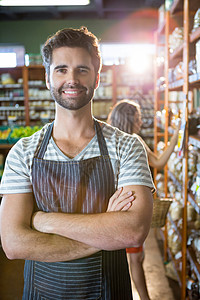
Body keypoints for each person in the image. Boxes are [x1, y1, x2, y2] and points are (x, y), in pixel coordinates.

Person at [0, 27, 155, 300]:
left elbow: (132, 232)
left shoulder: (127, 147)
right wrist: (106, 230)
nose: (71, 79)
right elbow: (13, 244)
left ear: (97, 78)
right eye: (61, 69)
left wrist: (43, 221)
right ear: (48, 78)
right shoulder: (23, 152)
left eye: (82, 69)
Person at [107, 99, 181, 300]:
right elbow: (159, 162)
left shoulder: (108, 138)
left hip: (110, 208)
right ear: (129, 119)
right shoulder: (134, 140)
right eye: (138, 118)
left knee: (121, 256)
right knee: (136, 257)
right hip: (130, 206)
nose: (141, 122)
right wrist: (177, 134)